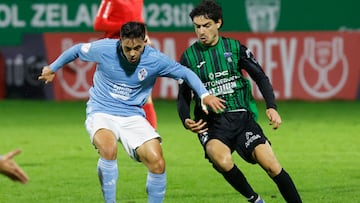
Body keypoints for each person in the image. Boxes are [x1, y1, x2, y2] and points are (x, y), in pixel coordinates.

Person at [38, 21, 225, 203]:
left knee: (157, 162)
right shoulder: (105, 49)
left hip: (133, 116)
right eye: (128, 48)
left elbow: (185, 73)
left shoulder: (155, 59)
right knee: (108, 149)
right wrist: (52, 68)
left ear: (145, 41)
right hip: (101, 111)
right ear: (120, 41)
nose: (133, 53)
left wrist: (204, 94)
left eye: (137, 48)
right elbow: (77, 50)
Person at [177, 1, 302, 203]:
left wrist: (271, 106)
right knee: (221, 159)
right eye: (197, 26)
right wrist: (185, 119)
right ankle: (255, 199)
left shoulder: (235, 48)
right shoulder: (188, 57)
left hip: (242, 119)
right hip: (212, 125)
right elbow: (183, 95)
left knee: (271, 165)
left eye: (206, 25)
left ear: (218, 23)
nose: (201, 31)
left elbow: (260, 77)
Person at [94, 0, 157, 129]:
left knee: (145, 95)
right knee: (113, 95)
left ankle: (153, 136)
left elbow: (138, 19)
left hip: (134, 48)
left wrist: (145, 34)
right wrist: (126, 27)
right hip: (114, 50)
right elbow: (99, 23)